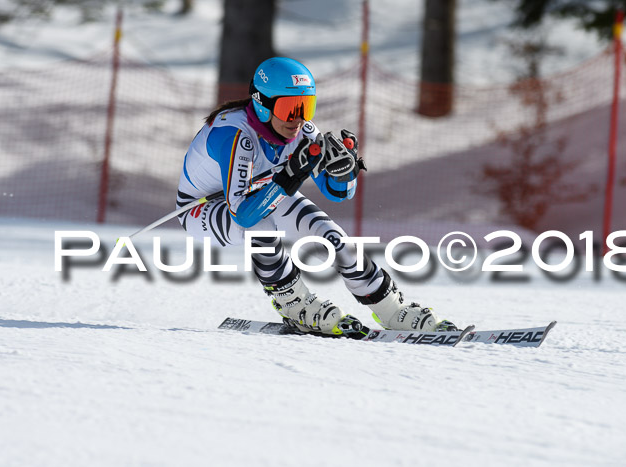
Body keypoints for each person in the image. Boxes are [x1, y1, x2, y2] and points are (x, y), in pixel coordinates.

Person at [176, 57, 456, 336]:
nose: (298, 119)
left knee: (332, 235)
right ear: (262, 104)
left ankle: (391, 308)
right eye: (289, 108)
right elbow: (244, 215)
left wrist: (344, 173)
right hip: (203, 209)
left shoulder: (303, 132)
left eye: (306, 106)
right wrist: (288, 179)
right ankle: (293, 303)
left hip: (260, 195)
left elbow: (337, 194)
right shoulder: (236, 134)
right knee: (260, 228)